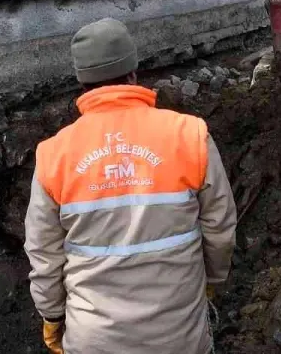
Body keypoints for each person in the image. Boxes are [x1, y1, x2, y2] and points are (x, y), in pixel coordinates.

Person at [23, 18, 238, 354]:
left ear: (82, 84)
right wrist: (211, 282)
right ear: (133, 72)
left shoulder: (54, 154)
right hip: (178, 338)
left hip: (93, 342)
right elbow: (220, 230)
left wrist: (51, 317)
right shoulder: (190, 135)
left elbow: (44, 254)